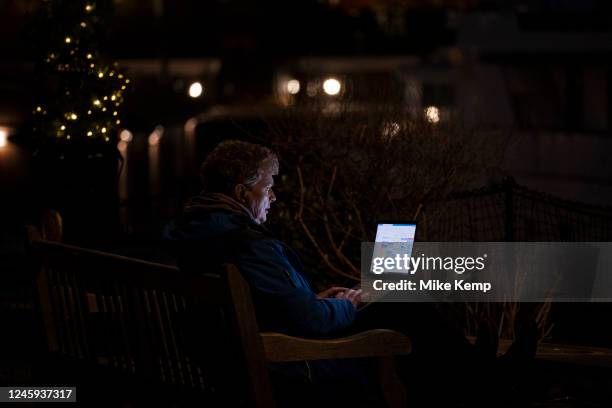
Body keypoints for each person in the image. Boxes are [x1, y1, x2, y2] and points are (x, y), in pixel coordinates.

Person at [165, 140, 540, 407]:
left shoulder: (198, 233)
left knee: (395, 300)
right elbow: (307, 320)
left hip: (241, 359)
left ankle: (476, 373)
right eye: (269, 187)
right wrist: (344, 306)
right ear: (242, 192)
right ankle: (486, 380)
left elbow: (278, 303)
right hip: (293, 363)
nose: (274, 197)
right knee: (402, 305)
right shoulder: (244, 242)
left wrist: (320, 299)